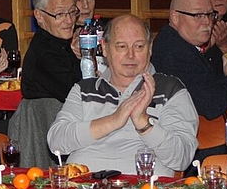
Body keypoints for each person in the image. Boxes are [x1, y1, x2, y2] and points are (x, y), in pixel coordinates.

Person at [49, 14, 198, 175]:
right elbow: (56, 143)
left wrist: (143, 123)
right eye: (121, 46)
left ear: (150, 48)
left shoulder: (169, 90)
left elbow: (181, 158)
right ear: (105, 48)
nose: (130, 55)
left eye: (139, 46)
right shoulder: (85, 89)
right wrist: (114, 120)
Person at [9, 0, 81, 169]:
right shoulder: (45, 53)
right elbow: (79, 95)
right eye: (59, 14)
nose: (69, 20)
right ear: (39, 16)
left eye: (72, 12)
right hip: (45, 136)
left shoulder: (63, 44)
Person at [151, 0, 227, 122]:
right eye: (198, 15)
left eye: (210, 15)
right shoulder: (174, 51)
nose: (207, 22)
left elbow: (210, 89)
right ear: (175, 17)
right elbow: (212, 105)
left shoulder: (189, 44)